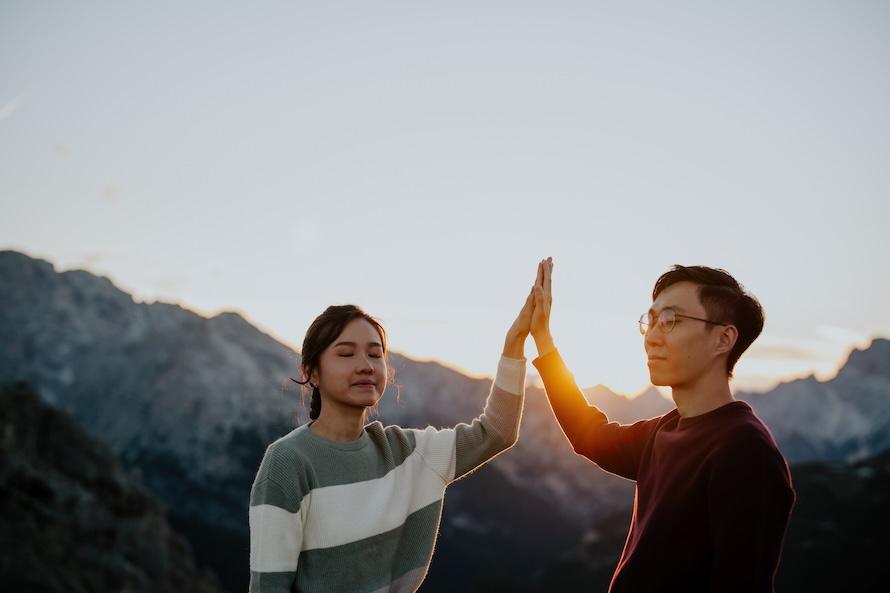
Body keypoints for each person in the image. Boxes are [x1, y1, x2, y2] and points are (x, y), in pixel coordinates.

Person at [248, 263, 544, 593]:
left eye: (375, 355)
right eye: (346, 353)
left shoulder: (407, 453)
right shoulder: (287, 462)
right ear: (312, 373)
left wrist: (515, 342)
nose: (365, 365)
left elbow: (497, 431)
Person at [529, 258, 795, 593]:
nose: (651, 337)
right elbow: (589, 435)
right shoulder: (665, 430)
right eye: (650, 321)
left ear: (723, 340)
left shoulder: (744, 449)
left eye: (670, 320)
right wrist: (544, 341)